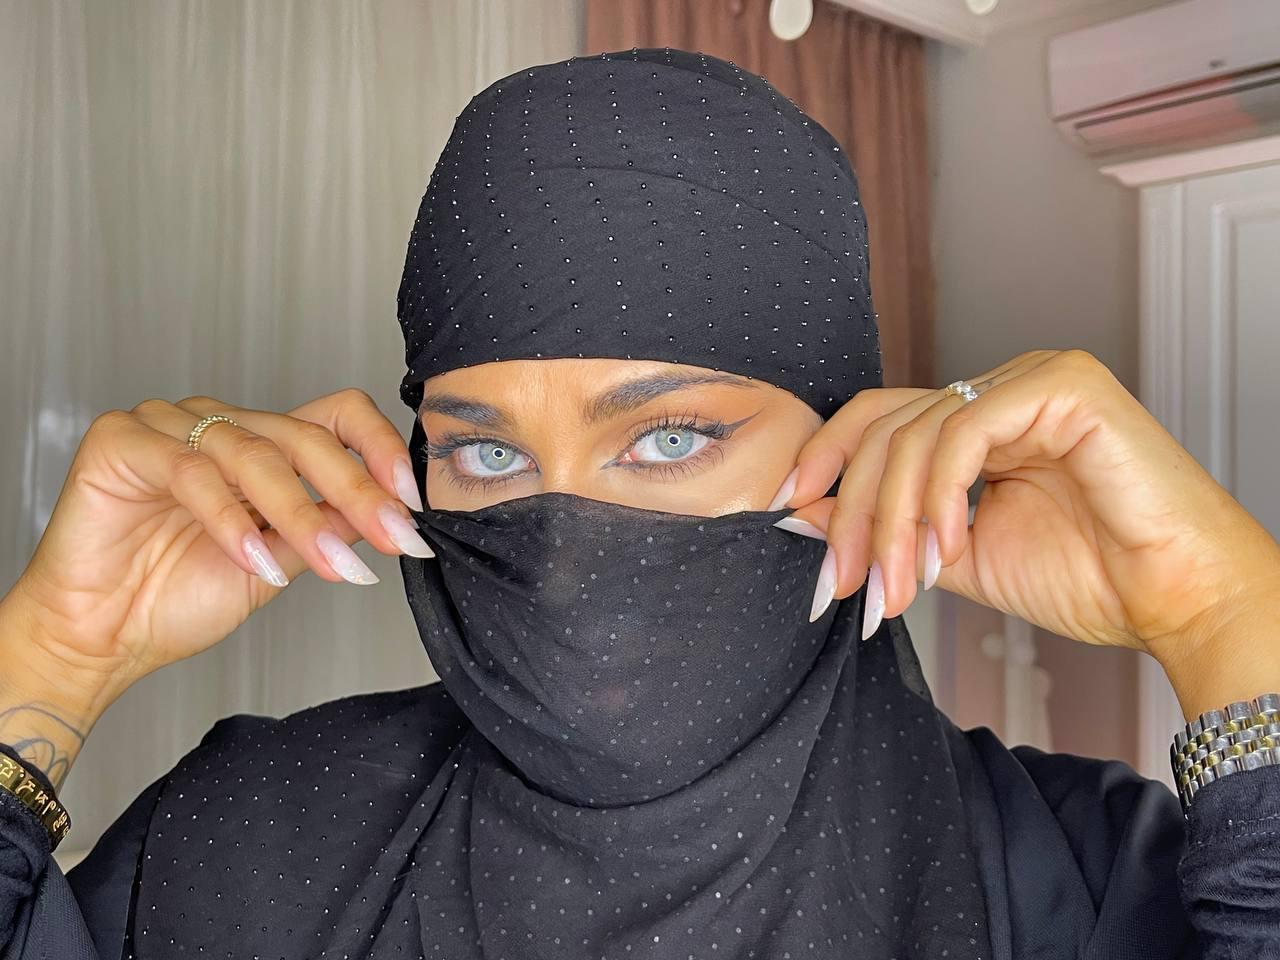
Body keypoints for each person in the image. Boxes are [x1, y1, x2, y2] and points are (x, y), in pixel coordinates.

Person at [0, 46, 1278, 960]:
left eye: (668, 438)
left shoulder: (1087, 882)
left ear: (848, 440)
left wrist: (1224, 618)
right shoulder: (240, 837)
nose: (562, 559)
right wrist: (52, 660)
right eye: (484, 453)